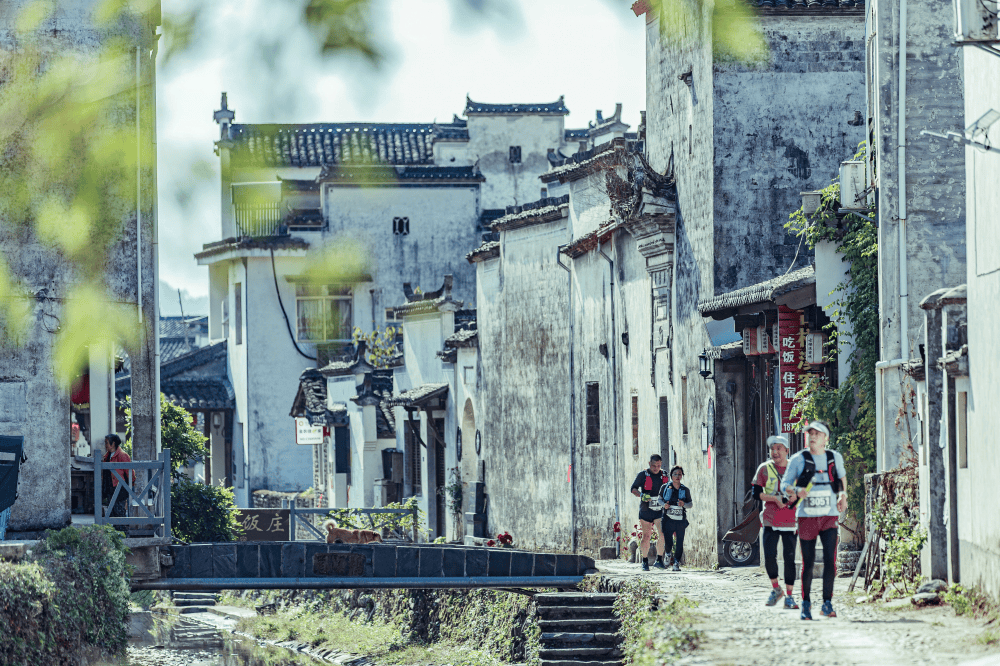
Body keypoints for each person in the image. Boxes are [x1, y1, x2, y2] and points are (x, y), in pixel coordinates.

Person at [782, 420, 847, 620]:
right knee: (808, 562)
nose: (812, 436)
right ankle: (806, 604)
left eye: (817, 434)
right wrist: (796, 490)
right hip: (807, 517)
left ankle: (827, 603)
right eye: (810, 433)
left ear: (825, 438)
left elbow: (841, 480)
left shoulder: (834, 457)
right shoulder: (798, 459)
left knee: (830, 561)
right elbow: (784, 484)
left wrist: (843, 496)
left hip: (829, 516)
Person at [752, 435, 798, 609]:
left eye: (779, 448)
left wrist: (794, 498)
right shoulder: (764, 469)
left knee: (789, 558)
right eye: (772, 448)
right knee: (770, 556)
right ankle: (776, 589)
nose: (775, 452)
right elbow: (756, 494)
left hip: (790, 520)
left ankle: (790, 597)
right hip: (770, 519)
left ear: (787, 451)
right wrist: (774, 499)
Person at [630, 454, 668, 571]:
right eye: (653, 466)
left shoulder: (664, 475)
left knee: (663, 534)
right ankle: (645, 561)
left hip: (659, 510)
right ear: (649, 464)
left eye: (658, 466)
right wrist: (641, 495)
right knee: (646, 536)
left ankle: (659, 560)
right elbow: (633, 489)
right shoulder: (643, 475)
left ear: (661, 464)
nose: (656, 468)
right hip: (646, 509)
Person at [659, 465, 691, 571]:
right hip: (668, 519)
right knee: (669, 542)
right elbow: (659, 500)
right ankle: (668, 553)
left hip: (680, 520)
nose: (677, 476)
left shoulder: (685, 489)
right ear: (671, 476)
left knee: (680, 542)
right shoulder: (664, 487)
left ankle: (676, 563)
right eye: (675, 474)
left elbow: (690, 504)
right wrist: (664, 505)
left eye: (679, 474)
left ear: (682, 476)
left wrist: (683, 504)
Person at [103, 434, 134, 530]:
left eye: (107, 443)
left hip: (119, 489)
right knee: (112, 513)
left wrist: (129, 487)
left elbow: (130, 474)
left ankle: (123, 533)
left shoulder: (123, 455)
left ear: (113, 444)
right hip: (110, 488)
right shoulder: (107, 456)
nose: (105, 445)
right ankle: (116, 534)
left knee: (119, 512)